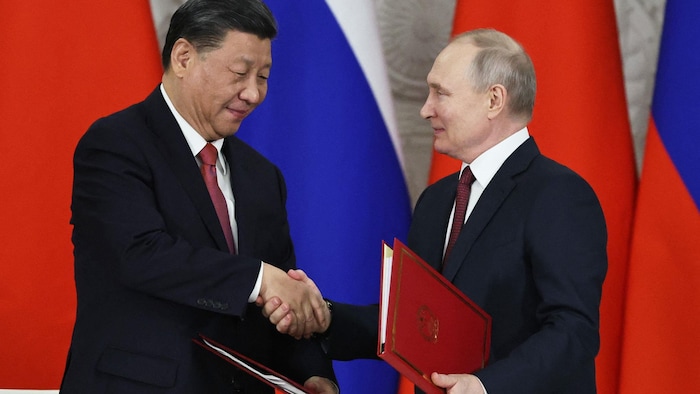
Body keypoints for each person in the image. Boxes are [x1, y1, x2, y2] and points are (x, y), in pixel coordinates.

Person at [264, 28, 607, 394]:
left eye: (440, 93)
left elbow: (573, 330)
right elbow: (415, 326)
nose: (425, 109)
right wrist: (323, 317)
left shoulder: (559, 194)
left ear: (494, 100)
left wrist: (485, 387)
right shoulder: (437, 200)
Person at [60, 0, 338, 392]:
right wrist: (260, 280)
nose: (254, 93)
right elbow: (139, 254)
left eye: (263, 76)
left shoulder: (262, 176)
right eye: (240, 73)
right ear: (184, 57)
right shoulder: (114, 144)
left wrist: (312, 372)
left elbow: (278, 296)